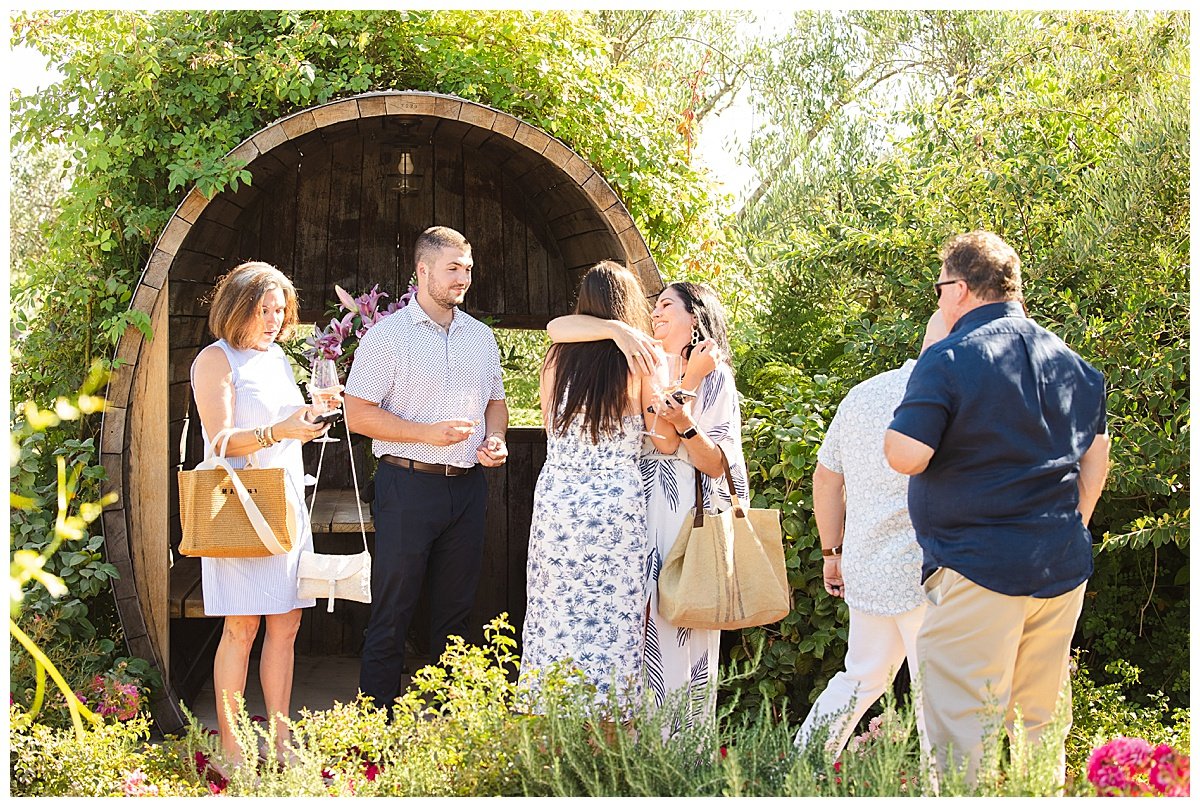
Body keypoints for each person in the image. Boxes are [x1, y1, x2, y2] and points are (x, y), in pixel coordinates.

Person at [884, 230, 1110, 787]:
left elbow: (905, 454)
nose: (938, 301)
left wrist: (928, 356)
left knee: (963, 732)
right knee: (1040, 724)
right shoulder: (1073, 363)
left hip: (978, 568)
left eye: (940, 288)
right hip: (1059, 567)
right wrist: (1072, 524)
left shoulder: (949, 357)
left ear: (959, 289)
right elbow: (1096, 456)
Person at [548, 281, 749, 734]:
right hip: (636, 518)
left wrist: (688, 421)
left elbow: (719, 464)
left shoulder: (715, 378)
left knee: (680, 631)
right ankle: (635, 753)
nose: (654, 314)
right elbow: (559, 328)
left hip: (682, 520)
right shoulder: (642, 360)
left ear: (694, 318)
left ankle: (678, 754)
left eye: (665, 306)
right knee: (635, 638)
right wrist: (620, 331)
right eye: (652, 306)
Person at [344, 225, 509, 713]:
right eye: (452, 268)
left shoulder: (480, 338)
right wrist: (425, 434)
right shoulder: (386, 337)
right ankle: (372, 729)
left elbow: (496, 402)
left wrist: (494, 437)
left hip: (468, 489)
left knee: (456, 614)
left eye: (468, 269)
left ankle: (443, 726)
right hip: (406, 485)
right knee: (392, 611)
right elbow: (357, 414)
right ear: (422, 270)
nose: (462, 278)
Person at [190, 260, 332, 767]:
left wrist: (310, 419)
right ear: (237, 307)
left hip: (286, 502)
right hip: (241, 506)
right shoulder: (216, 359)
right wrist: (280, 432)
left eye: (280, 309)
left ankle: (281, 739)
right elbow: (221, 441)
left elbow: (285, 423)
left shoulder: (275, 359)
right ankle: (231, 746)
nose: (275, 319)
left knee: (287, 624)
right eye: (264, 308)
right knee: (242, 627)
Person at [792, 311, 949, 761]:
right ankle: (948, 792)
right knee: (938, 696)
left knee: (860, 677)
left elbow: (826, 479)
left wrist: (831, 553)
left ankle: (799, 771)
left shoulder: (862, 394)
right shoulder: (952, 398)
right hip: (930, 572)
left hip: (867, 564)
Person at [518, 261, 656, 714]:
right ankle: (612, 722)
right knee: (616, 615)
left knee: (554, 611)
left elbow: (547, 423)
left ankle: (549, 716)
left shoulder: (556, 359)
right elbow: (658, 436)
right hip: (617, 500)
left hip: (560, 496)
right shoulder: (639, 363)